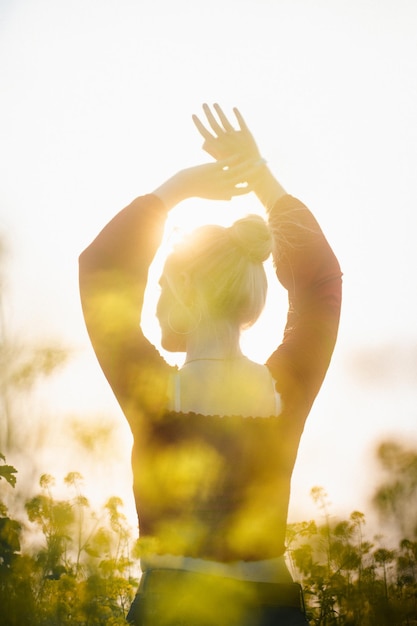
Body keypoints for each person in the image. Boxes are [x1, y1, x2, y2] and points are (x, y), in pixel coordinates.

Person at [79, 104, 342, 625]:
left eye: (161, 283)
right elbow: (320, 282)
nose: (154, 298)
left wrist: (177, 188)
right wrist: (259, 175)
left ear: (184, 285)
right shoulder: (285, 389)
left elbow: (102, 268)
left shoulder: (155, 393)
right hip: (274, 612)